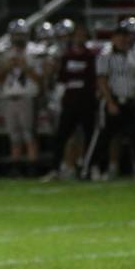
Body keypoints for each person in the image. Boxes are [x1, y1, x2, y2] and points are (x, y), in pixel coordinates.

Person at [84, 18, 135, 180]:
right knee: (102, 137)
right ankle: (87, 168)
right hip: (113, 100)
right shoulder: (106, 54)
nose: (123, 39)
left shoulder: (133, 54)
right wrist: (109, 102)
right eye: (120, 36)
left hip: (129, 101)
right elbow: (101, 80)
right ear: (114, 37)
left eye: (126, 36)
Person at [44, 23, 98, 180]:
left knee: (88, 136)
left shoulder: (90, 56)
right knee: (62, 136)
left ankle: (88, 167)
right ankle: (57, 168)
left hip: (86, 101)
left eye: (82, 35)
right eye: (77, 35)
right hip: (70, 101)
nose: (79, 38)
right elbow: (62, 79)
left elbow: (93, 79)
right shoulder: (66, 56)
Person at [0, 19, 44, 176]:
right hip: (10, 98)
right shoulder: (6, 54)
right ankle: (16, 167)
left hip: (27, 97)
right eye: (16, 34)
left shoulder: (34, 52)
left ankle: (32, 167)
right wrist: (7, 67)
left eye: (21, 34)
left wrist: (25, 66)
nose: (18, 38)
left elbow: (39, 78)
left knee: (29, 133)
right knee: (14, 135)